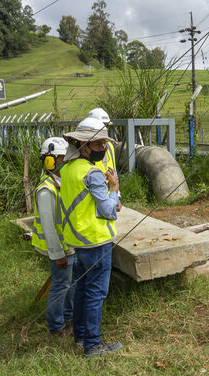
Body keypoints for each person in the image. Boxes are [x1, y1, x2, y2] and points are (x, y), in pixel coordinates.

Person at [60, 116, 122, 357]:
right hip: (96, 241)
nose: (103, 148)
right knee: (96, 293)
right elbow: (108, 210)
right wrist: (114, 190)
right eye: (98, 145)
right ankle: (93, 345)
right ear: (83, 146)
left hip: (78, 240)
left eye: (104, 144)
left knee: (83, 289)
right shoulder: (92, 173)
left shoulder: (67, 169)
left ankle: (80, 336)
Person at [31, 137, 77, 336]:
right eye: (61, 159)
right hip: (59, 248)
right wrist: (58, 254)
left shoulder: (61, 183)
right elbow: (49, 226)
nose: (65, 162)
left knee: (71, 283)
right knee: (60, 285)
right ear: (49, 161)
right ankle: (56, 327)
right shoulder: (46, 190)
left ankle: (68, 317)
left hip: (69, 245)